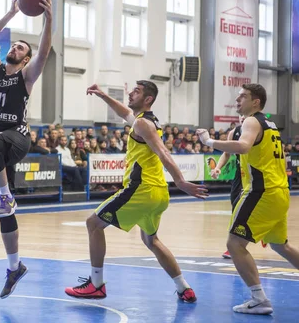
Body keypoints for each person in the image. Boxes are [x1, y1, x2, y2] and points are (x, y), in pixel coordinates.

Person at [65, 81, 207, 303]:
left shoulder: (143, 124)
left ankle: (96, 285)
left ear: (148, 99)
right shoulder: (146, 121)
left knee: (93, 224)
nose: (131, 93)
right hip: (157, 193)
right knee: (152, 241)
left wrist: (181, 181)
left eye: (137, 91)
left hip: (141, 189)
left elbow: (163, 153)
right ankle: (184, 287)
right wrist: (103, 95)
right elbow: (125, 113)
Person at [198, 83, 299, 315]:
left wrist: (209, 142)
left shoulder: (251, 121)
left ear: (256, 102)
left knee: (234, 244)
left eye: (242, 97)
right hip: (279, 191)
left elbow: (243, 147)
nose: (237, 100)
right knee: (280, 245)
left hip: (261, 192)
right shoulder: (271, 125)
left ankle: (259, 299)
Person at [0, 0, 52, 298]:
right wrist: (11, 13)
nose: (17, 48)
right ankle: (14, 267)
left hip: (17, 138)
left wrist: (49, 19)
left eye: (22, 48)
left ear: (26, 60)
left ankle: (6, 194)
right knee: (4, 214)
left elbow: (45, 51)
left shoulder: (26, 77)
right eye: (15, 45)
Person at [210, 116, 244, 259]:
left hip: (257, 175)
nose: (242, 117)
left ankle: (235, 247)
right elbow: (226, 153)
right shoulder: (233, 133)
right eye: (240, 116)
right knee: (235, 208)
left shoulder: (260, 130)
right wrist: (217, 167)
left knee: (245, 210)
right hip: (240, 174)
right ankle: (234, 246)